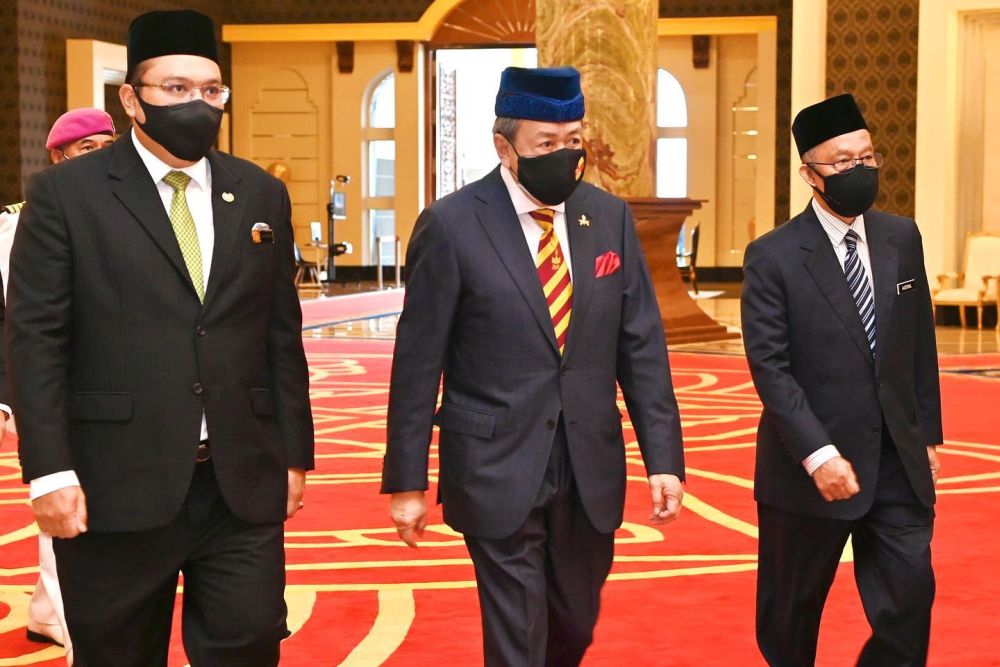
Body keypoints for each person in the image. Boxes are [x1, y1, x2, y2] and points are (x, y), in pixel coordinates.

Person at [6, 10, 314, 666]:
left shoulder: (259, 193)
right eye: (175, 88)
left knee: (251, 642)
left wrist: (294, 453)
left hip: (238, 482)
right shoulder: (65, 196)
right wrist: (48, 472)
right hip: (112, 482)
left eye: (210, 90)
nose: (196, 103)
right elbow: (36, 338)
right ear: (131, 98)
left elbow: (280, 333)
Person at [382, 66, 685, 666]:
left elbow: (642, 346)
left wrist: (664, 459)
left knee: (572, 621)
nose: (564, 155)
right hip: (494, 461)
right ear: (504, 145)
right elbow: (417, 364)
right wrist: (407, 481)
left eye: (573, 140)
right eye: (546, 143)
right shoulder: (451, 224)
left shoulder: (609, 218)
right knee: (518, 632)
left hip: (588, 461)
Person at [741, 93, 942, 666]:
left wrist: (927, 433)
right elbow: (770, 368)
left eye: (868, 156)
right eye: (842, 162)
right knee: (789, 619)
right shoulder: (773, 256)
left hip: (897, 461)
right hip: (808, 471)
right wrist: (818, 453)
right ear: (810, 174)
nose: (860, 171)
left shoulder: (902, 237)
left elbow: (918, 343)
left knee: (908, 602)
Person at [0, 107, 116, 661]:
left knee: (90, 506)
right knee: (67, 506)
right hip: (50, 387)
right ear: (57, 157)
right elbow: (16, 323)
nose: (101, 157)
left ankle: (47, 609)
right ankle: (75, 630)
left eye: (108, 145)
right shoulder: (19, 224)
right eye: (86, 149)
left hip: (117, 388)